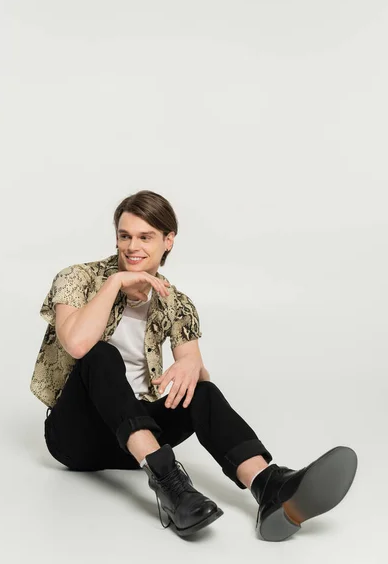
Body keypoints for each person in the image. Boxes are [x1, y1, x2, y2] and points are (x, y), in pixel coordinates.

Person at [30, 189, 358, 541]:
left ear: (168, 241)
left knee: (202, 391)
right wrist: (114, 283)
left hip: (135, 442)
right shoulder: (78, 278)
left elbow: (193, 370)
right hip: (74, 436)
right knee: (100, 354)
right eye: (124, 236)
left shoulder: (178, 303)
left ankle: (268, 486)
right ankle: (171, 487)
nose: (132, 246)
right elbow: (77, 344)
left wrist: (193, 367)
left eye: (145, 237)